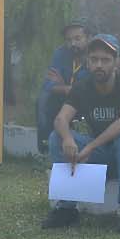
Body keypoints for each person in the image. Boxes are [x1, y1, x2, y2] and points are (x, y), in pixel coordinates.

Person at [42, 34, 120, 235]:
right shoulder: (82, 87)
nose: (99, 65)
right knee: (56, 137)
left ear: (117, 63)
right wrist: (68, 139)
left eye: (105, 60)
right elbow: (60, 119)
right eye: (94, 59)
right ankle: (67, 208)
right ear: (88, 62)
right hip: (104, 154)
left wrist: (91, 147)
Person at [36, 20, 90, 154]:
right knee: (43, 99)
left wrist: (63, 84)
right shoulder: (61, 53)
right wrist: (66, 88)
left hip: (87, 100)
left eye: (77, 38)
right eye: (69, 40)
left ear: (88, 38)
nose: (73, 44)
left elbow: (88, 88)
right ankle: (46, 149)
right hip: (64, 98)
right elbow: (49, 84)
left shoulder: (94, 56)